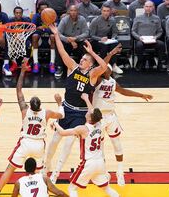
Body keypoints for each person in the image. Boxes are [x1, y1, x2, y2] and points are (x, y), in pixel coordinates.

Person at [45, 23, 121, 183]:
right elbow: (62, 51)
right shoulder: (73, 67)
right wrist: (57, 34)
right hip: (66, 109)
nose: (82, 59)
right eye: (82, 58)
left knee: (68, 142)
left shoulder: (93, 74)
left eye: (85, 59)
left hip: (80, 113)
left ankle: (56, 173)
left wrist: (92, 52)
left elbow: (103, 65)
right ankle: (46, 166)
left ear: (90, 64)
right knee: (54, 141)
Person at [0, 63, 65, 197]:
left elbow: (18, 90)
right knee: (39, 174)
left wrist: (22, 72)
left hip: (25, 143)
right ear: (40, 105)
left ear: (30, 105)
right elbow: (62, 115)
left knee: (10, 168)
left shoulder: (25, 110)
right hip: (38, 145)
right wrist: (60, 103)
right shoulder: (46, 113)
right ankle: (42, 192)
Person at [92, 64, 152, 186]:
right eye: (104, 67)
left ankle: (120, 171)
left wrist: (141, 95)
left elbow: (124, 91)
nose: (106, 69)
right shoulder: (97, 79)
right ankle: (103, 172)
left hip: (111, 117)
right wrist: (109, 55)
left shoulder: (113, 82)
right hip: (99, 119)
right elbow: (101, 66)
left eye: (107, 67)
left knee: (117, 144)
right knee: (100, 147)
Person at [52, 93, 119, 197]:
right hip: (100, 163)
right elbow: (92, 111)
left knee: (72, 188)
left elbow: (63, 132)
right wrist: (87, 99)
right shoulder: (100, 125)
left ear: (90, 118)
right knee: (107, 189)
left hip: (88, 163)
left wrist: (55, 123)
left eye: (89, 113)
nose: (87, 112)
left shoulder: (83, 129)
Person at [55, 5, 89, 77]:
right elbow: (58, 33)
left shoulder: (82, 19)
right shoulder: (64, 20)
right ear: (68, 12)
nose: (73, 12)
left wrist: (76, 38)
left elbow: (86, 33)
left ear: (78, 12)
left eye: (75, 10)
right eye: (71, 10)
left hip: (78, 41)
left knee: (85, 45)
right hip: (67, 41)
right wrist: (68, 40)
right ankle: (59, 67)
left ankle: (84, 67)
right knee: (58, 45)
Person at [131, 0, 165, 71]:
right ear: (144, 7)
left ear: (153, 8)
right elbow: (133, 31)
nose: (148, 8)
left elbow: (160, 31)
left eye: (150, 7)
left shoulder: (157, 18)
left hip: (153, 40)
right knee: (139, 45)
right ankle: (140, 62)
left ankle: (160, 64)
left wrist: (156, 37)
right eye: (146, 6)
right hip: (141, 40)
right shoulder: (138, 18)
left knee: (161, 44)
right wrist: (139, 37)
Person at [90, 3, 122, 74]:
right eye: (104, 11)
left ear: (110, 12)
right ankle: (103, 65)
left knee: (115, 44)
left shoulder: (112, 20)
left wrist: (113, 38)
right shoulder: (95, 21)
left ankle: (114, 65)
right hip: (96, 41)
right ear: (101, 11)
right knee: (103, 46)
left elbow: (115, 32)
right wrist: (100, 39)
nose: (106, 13)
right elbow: (91, 35)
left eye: (107, 11)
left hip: (107, 40)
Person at [3, 6, 32, 75]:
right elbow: (7, 33)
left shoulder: (26, 21)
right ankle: (14, 64)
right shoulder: (10, 21)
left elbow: (30, 33)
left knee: (29, 44)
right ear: (14, 13)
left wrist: (22, 37)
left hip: (24, 39)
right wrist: (15, 38)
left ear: (22, 14)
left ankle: (25, 63)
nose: (18, 14)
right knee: (8, 43)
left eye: (20, 13)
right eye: (17, 13)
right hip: (13, 39)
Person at [31, 1, 56, 74]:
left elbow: (55, 28)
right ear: (39, 10)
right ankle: (36, 63)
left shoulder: (53, 15)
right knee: (35, 36)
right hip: (40, 40)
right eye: (43, 10)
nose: (45, 11)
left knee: (53, 36)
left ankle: (52, 63)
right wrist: (40, 27)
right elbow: (32, 27)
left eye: (46, 9)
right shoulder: (36, 16)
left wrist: (44, 27)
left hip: (49, 40)